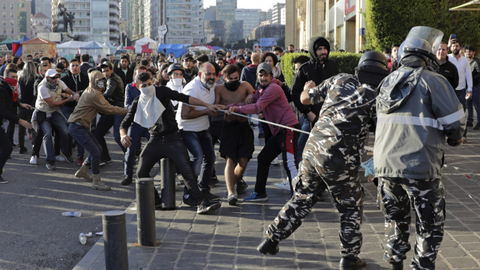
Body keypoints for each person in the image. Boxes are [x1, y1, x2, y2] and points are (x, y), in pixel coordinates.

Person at [257, 51, 389, 270]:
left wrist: (308, 87)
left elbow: (304, 98)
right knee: (350, 205)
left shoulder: (341, 78)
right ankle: (349, 256)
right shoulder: (377, 96)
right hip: (341, 158)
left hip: (313, 150)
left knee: (302, 197)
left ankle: (271, 239)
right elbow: (382, 131)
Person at [375, 27, 466, 270]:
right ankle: (421, 266)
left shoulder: (386, 82)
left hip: (385, 167)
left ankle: (394, 264)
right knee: (429, 226)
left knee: (395, 221)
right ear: (427, 56)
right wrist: (456, 138)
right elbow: (456, 123)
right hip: (420, 166)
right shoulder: (434, 81)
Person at [119, 72, 222, 214]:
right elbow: (124, 123)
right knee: (141, 171)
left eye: (150, 84)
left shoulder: (161, 91)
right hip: (155, 139)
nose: (148, 87)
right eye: (144, 85)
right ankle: (155, 200)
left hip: (173, 138)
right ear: (137, 86)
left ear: (153, 81)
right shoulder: (137, 101)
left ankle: (201, 202)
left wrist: (206, 105)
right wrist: (123, 135)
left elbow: (184, 98)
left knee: (186, 171)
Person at [230, 63, 300, 201]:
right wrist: (229, 106)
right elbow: (248, 104)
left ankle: (298, 197)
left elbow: (257, 108)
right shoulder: (261, 90)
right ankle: (260, 193)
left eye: (266, 75)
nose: (263, 78)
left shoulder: (273, 88)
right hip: (280, 131)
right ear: (257, 76)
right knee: (263, 158)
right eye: (261, 75)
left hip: (288, 129)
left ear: (271, 76)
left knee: (290, 163)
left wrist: (235, 110)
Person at [68, 70, 128, 191]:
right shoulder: (94, 94)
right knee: (95, 152)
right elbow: (109, 109)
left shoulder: (90, 90)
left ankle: (83, 170)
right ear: (93, 81)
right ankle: (96, 180)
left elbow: (104, 109)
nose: (102, 83)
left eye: (103, 80)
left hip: (78, 126)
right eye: (99, 81)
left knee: (98, 149)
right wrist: (128, 111)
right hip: (78, 126)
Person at [177, 63, 221, 203]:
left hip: (203, 128)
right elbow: (185, 114)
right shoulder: (192, 88)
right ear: (200, 74)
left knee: (210, 158)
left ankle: (204, 190)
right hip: (188, 129)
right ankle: (188, 194)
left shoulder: (211, 85)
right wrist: (207, 111)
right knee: (197, 158)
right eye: (208, 74)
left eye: (214, 74)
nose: (212, 77)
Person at [215, 64, 255, 205]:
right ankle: (231, 192)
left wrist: (250, 96)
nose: (233, 81)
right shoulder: (219, 88)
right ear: (224, 78)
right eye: (230, 78)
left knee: (243, 162)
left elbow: (254, 94)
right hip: (229, 127)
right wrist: (223, 108)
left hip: (243, 127)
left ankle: (233, 183)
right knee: (230, 160)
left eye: (236, 78)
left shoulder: (245, 85)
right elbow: (214, 107)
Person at [0, 68, 33, 183]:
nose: (14, 79)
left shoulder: (8, 88)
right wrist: (20, 120)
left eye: (16, 77)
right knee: (7, 147)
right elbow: (3, 110)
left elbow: (11, 101)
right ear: (6, 77)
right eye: (12, 77)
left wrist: (21, 104)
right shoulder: (2, 89)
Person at [120, 65, 149, 185]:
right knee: (131, 149)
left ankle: (167, 173)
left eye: (144, 74)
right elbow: (127, 104)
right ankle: (128, 175)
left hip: (149, 123)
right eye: (139, 74)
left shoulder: (150, 87)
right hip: (135, 122)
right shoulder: (130, 87)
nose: (141, 76)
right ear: (134, 76)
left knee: (158, 147)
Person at [95, 61, 125, 165]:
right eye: (103, 71)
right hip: (112, 109)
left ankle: (131, 154)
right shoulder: (107, 79)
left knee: (117, 136)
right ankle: (105, 157)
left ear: (111, 70)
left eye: (107, 70)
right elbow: (98, 89)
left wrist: (94, 99)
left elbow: (108, 93)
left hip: (116, 110)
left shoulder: (113, 80)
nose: (105, 73)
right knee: (98, 133)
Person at [61, 58, 89, 165]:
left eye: (76, 65)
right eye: (72, 65)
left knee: (79, 129)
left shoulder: (85, 78)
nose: (75, 67)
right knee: (70, 127)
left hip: (81, 109)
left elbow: (88, 91)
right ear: (69, 67)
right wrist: (69, 96)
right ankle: (68, 153)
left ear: (80, 67)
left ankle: (80, 156)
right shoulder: (64, 79)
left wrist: (80, 94)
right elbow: (60, 93)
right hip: (67, 107)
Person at [448, 40, 472, 140]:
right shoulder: (448, 58)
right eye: (453, 46)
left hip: (461, 90)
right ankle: (450, 134)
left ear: (460, 48)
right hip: (450, 90)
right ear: (450, 48)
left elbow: (468, 75)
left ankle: (463, 134)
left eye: (457, 46)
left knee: (462, 113)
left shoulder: (465, 60)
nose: (455, 48)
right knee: (449, 112)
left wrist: (469, 89)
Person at [17, 62, 37, 154]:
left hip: (22, 104)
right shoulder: (35, 79)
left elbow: (19, 93)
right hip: (32, 104)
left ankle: (21, 146)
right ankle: (34, 145)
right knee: (32, 126)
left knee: (21, 126)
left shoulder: (20, 79)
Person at [464, 45, 480, 129]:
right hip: (468, 87)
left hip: (475, 86)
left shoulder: (475, 62)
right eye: (466, 51)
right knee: (468, 104)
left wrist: (472, 78)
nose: (468, 53)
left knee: (476, 104)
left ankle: (479, 122)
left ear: (473, 52)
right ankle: (470, 120)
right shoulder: (466, 61)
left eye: (470, 51)